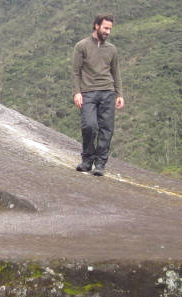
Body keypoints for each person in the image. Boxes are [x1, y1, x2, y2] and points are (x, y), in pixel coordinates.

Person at [72, 13, 124, 176]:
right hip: (88, 92)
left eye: (110, 29)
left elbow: (116, 72)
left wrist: (119, 94)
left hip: (108, 92)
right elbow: (75, 72)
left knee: (106, 128)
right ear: (97, 26)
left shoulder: (112, 49)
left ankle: (100, 164)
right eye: (105, 28)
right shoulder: (82, 46)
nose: (108, 31)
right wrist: (77, 92)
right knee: (89, 126)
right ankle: (87, 160)